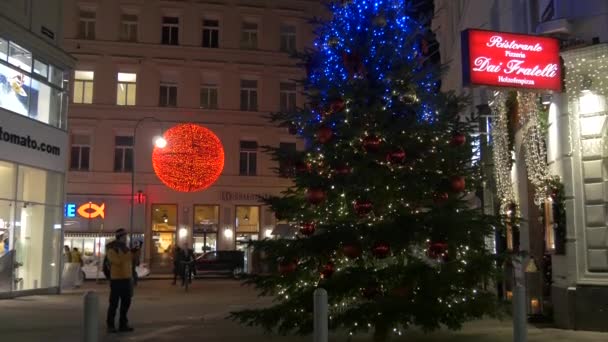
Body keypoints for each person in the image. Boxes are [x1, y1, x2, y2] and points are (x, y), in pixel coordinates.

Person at [106, 228, 134, 333]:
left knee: (126, 303)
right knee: (114, 304)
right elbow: (118, 262)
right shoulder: (111, 249)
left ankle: (123, 324)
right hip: (116, 280)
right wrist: (128, 254)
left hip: (126, 279)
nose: (126, 238)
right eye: (125, 236)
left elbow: (128, 262)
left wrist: (134, 252)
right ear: (120, 237)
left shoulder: (125, 249)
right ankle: (110, 325)